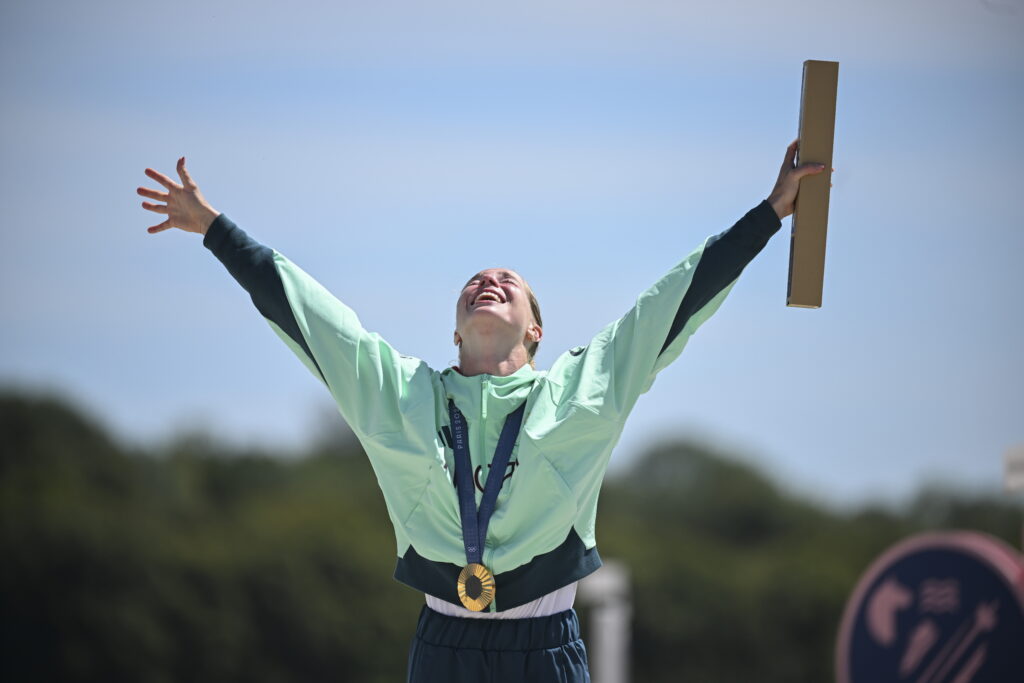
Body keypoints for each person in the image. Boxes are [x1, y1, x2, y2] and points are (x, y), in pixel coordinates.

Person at [137, 140, 829, 682]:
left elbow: (674, 301)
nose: (489, 281)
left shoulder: (580, 391)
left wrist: (769, 214)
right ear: (457, 329)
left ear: (535, 331)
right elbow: (306, 311)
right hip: (445, 650)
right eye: (476, 281)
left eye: (510, 284)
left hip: (546, 649)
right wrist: (214, 229)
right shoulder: (401, 396)